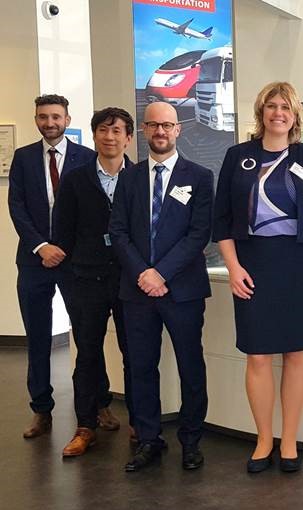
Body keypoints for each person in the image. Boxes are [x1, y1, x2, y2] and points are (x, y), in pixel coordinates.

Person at [213, 82, 303, 473]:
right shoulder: (238, 156)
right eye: (271, 106)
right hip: (252, 266)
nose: (278, 112)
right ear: (261, 112)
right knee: (258, 354)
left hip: (298, 266)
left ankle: (289, 441)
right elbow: (222, 221)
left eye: (285, 106)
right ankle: (264, 438)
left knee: (296, 353)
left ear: (295, 114)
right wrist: (233, 268)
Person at [108, 102, 213, 472]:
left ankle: (190, 440)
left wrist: (161, 274)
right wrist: (144, 273)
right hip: (136, 291)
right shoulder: (129, 177)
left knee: (190, 366)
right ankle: (149, 439)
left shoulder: (199, 177)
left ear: (178, 130)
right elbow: (117, 232)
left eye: (167, 125)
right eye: (153, 125)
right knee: (140, 367)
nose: (160, 132)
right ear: (143, 130)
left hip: (182, 291)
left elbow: (199, 234)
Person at [8, 94, 97, 439]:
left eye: (56, 116)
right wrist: (42, 246)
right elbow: (17, 207)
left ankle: (98, 403)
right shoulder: (23, 158)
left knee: (87, 336)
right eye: (43, 117)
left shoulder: (86, 158)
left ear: (67, 118)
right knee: (38, 337)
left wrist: (64, 249)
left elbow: (90, 214)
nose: (50, 123)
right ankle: (41, 410)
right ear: (36, 119)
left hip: (75, 262)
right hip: (33, 260)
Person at [53, 107, 136, 456]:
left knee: (135, 354)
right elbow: (62, 232)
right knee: (87, 354)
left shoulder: (141, 178)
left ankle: (140, 423)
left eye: (117, 131)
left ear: (128, 138)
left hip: (131, 279)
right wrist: (70, 278)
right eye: (103, 130)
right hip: (87, 278)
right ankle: (85, 425)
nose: (110, 136)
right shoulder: (75, 179)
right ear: (94, 135)